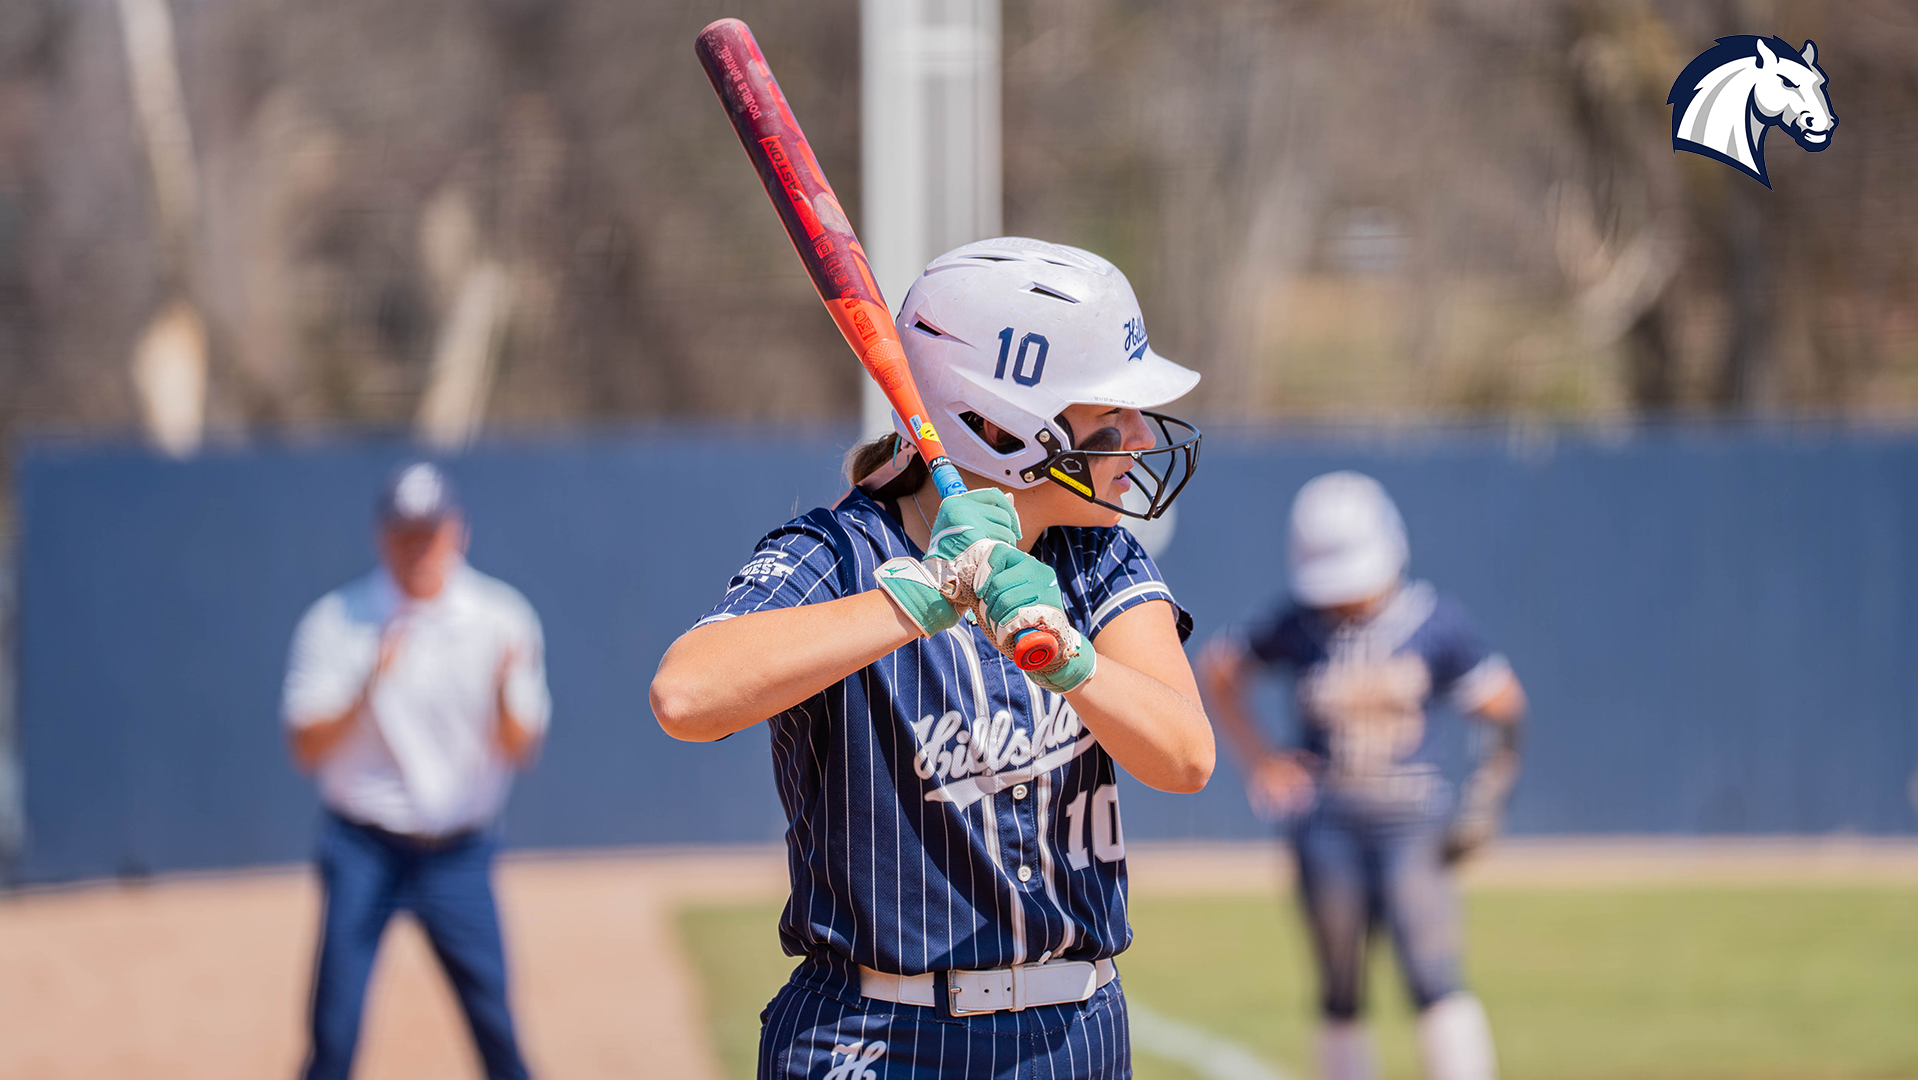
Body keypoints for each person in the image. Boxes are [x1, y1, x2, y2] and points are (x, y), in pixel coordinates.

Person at [651, 237, 1214, 1079]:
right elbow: (685, 695)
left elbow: (1184, 755)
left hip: (1076, 1035)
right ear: (1000, 428)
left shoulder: (1099, 557)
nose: (1138, 435)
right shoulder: (840, 551)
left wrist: (1073, 663)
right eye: (1108, 418)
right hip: (875, 1035)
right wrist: (911, 601)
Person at [1198, 472, 1527, 1080]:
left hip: (1412, 818)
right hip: (1326, 821)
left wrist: (1488, 799)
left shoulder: (1433, 622)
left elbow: (1504, 704)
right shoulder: (1297, 624)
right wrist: (1263, 760)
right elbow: (1219, 668)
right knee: (1339, 981)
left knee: (1432, 970)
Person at [282, 462, 550, 1080]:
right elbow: (305, 746)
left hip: (459, 851)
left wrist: (506, 691)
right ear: (382, 536)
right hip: (362, 845)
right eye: (405, 532)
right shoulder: (337, 620)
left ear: (458, 532)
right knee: (335, 1032)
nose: (417, 548)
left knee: (497, 1029)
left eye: (429, 531)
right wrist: (368, 682)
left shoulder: (501, 618)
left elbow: (521, 746)